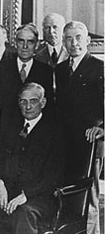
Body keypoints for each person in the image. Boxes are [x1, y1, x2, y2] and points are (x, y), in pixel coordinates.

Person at [0, 82, 66, 234]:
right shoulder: (11, 127)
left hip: (40, 197)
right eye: (23, 102)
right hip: (9, 192)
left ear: (43, 103)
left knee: (23, 213)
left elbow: (53, 177)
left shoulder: (56, 131)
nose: (28, 107)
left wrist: (26, 195)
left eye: (33, 101)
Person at [55, 21, 104, 234]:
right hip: (65, 140)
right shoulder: (60, 69)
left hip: (89, 140)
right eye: (68, 38)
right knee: (68, 191)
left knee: (89, 193)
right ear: (63, 42)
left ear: (87, 41)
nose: (73, 43)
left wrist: (103, 128)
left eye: (77, 38)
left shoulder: (99, 67)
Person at [0, 23, 54, 153]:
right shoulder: (2, 67)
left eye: (30, 42)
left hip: (34, 135)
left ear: (37, 45)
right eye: (21, 41)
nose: (25, 46)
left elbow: (48, 107)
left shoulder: (45, 71)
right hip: (5, 135)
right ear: (15, 43)